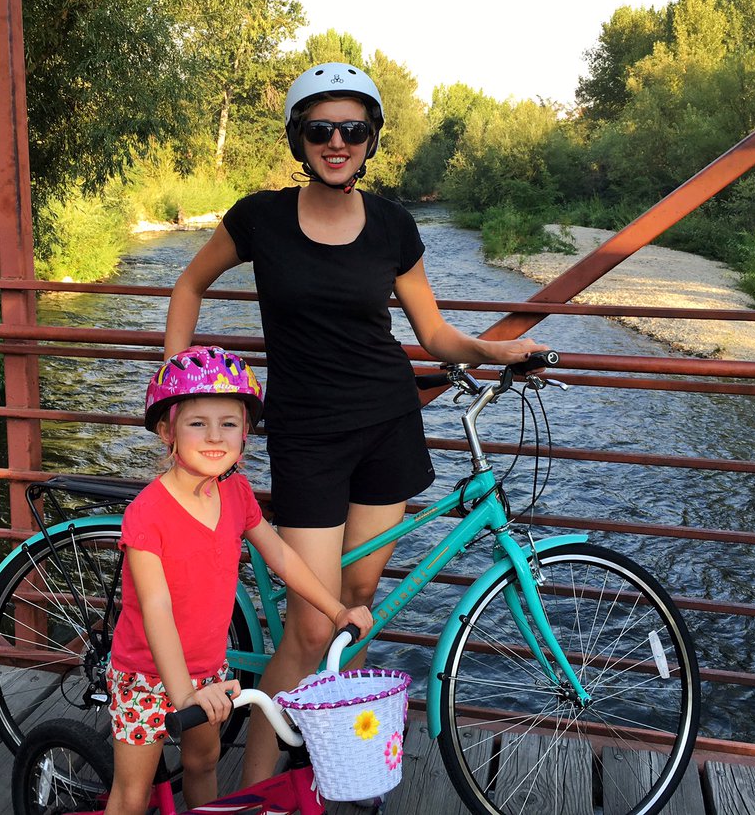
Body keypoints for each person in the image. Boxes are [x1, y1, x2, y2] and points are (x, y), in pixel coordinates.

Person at [163, 62, 549, 786]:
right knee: (312, 625)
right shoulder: (260, 218)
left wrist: (497, 349)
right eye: (321, 129)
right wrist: (175, 388)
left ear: (370, 139)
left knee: (357, 610)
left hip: (387, 428)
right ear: (299, 139)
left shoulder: (394, 226)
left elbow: (432, 334)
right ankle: (257, 792)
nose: (336, 142)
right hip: (308, 436)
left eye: (352, 129)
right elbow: (188, 284)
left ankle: (341, 766)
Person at [103, 345, 373, 815]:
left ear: (245, 432)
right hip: (147, 674)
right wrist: (183, 692)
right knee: (132, 793)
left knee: (204, 764)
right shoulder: (147, 514)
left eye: (228, 423)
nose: (215, 436)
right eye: (197, 423)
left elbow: (281, 555)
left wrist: (336, 610)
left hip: (208, 668)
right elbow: (156, 607)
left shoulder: (235, 490)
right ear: (167, 430)